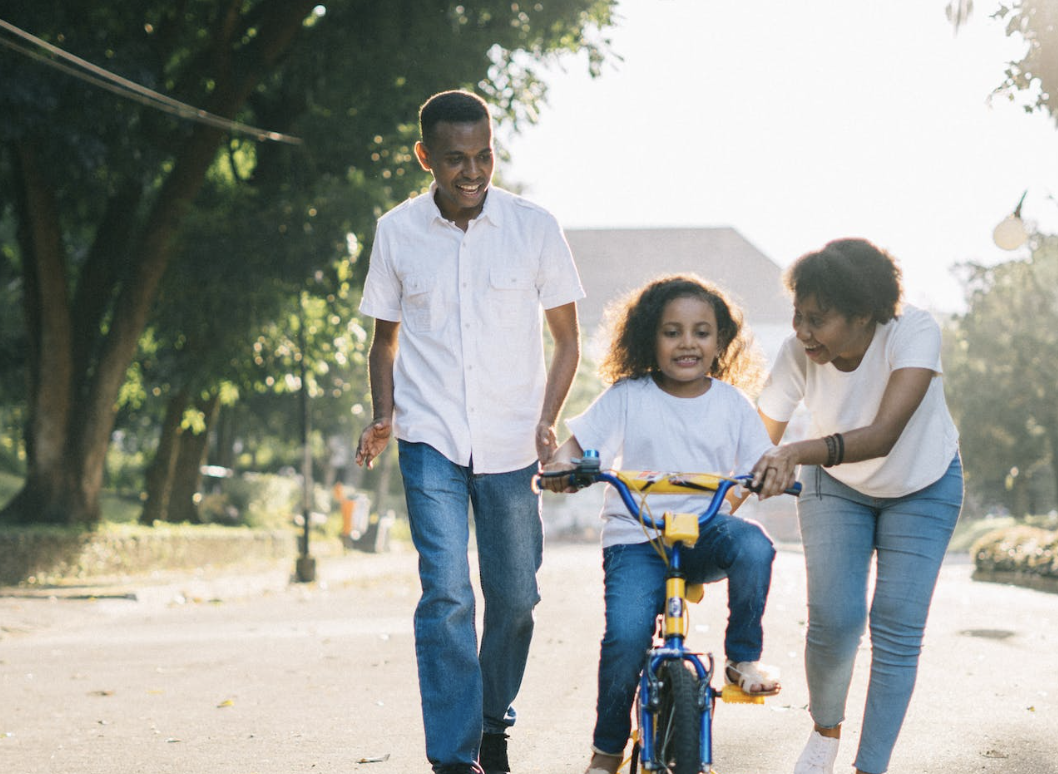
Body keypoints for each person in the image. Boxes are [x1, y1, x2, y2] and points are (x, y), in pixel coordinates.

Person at [353, 89, 584, 774]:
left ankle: (491, 722)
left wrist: (548, 417)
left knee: (515, 598)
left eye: (483, 155)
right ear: (426, 156)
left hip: (514, 442)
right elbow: (384, 344)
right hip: (430, 439)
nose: (473, 172)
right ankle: (455, 759)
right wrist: (383, 416)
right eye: (455, 160)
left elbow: (568, 340)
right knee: (448, 593)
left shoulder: (534, 226)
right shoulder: (396, 231)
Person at [541, 274, 781, 774]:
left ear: (720, 342)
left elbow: (762, 464)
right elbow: (575, 450)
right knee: (626, 639)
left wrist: (769, 476)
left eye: (701, 331)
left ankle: (742, 658)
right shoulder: (629, 395)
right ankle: (607, 750)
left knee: (755, 545)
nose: (687, 343)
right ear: (650, 337)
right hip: (636, 539)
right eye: (672, 332)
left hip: (702, 534)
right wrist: (563, 469)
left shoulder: (733, 404)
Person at [749, 238, 964, 774]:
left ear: (864, 314)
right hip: (836, 485)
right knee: (835, 619)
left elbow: (885, 434)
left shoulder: (914, 332)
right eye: (798, 316)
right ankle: (825, 730)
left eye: (817, 319)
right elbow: (755, 441)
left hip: (924, 484)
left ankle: (871, 767)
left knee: (896, 624)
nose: (802, 332)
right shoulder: (799, 352)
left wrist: (796, 451)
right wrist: (709, 509)